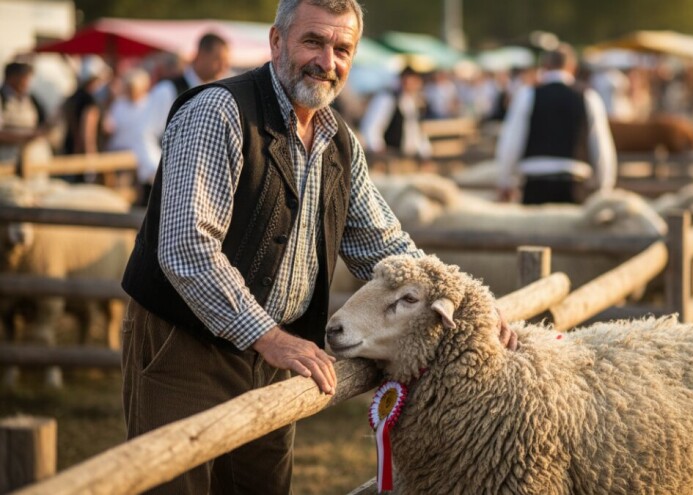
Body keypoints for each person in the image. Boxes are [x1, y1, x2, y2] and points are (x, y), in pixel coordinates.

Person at [119, 1, 514, 493]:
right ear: (276, 42)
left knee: (259, 487)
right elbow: (187, 248)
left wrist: (472, 302)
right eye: (313, 42)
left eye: (342, 48)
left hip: (275, 355)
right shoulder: (218, 113)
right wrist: (270, 335)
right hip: (187, 347)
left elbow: (383, 243)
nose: (328, 61)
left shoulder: (339, 140)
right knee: (175, 485)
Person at [496, 44, 617, 204]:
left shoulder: (527, 94)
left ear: (545, 66)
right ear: (572, 67)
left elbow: (511, 143)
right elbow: (601, 147)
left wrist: (505, 181)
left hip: (536, 185)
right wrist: (604, 186)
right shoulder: (588, 97)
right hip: (574, 185)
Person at [147, 32, 230, 137]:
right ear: (201, 55)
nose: (224, 67)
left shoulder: (217, 94)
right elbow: (148, 135)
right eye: (218, 60)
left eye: (226, 61)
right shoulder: (167, 89)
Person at [103, 68, 161, 205]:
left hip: (143, 151)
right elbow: (110, 126)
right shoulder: (120, 104)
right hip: (120, 151)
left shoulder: (150, 103)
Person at [359, 66, 431, 165]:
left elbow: (415, 130)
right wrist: (377, 148)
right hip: (390, 157)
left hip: (408, 159)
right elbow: (372, 126)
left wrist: (424, 151)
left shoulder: (412, 101)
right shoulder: (387, 98)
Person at [0, 62, 48, 166]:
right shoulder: (2, 99)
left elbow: (43, 122)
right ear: (12, 77)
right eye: (24, 78)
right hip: (7, 160)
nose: (27, 82)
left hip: (33, 160)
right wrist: (25, 137)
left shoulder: (32, 99)